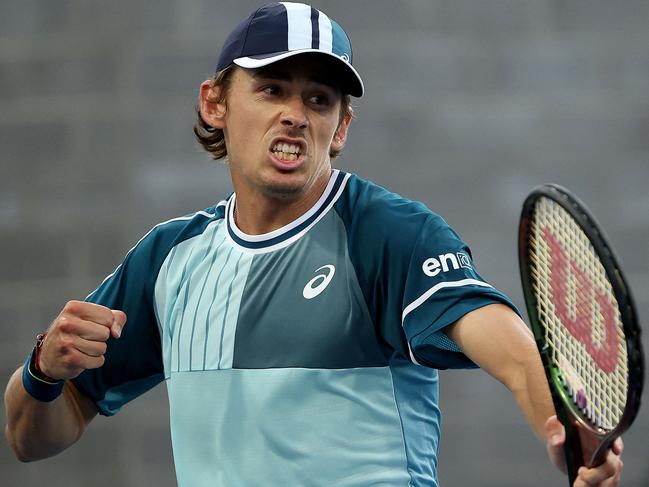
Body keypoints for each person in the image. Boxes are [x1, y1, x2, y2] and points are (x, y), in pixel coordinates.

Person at [4, 3, 624, 486]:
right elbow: (31, 439)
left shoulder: (388, 233)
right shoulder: (169, 261)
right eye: (272, 89)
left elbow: (513, 354)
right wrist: (43, 373)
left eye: (318, 99)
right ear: (215, 103)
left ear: (341, 127)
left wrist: (570, 431)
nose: (296, 114)